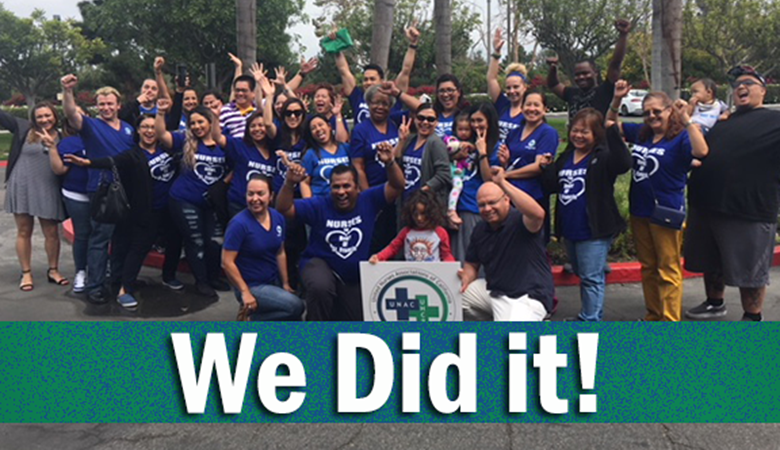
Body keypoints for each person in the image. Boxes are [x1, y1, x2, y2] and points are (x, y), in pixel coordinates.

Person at [683, 66, 780, 322]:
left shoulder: (775, 120)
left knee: (751, 271)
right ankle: (715, 303)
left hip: (748, 209)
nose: (740, 87)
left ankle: (752, 318)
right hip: (707, 205)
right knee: (711, 262)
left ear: (763, 91)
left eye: (748, 83)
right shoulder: (723, 120)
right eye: (736, 84)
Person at [607, 81, 709, 322]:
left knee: (668, 269)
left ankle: (669, 321)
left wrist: (686, 120)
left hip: (666, 212)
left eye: (657, 111)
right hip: (640, 210)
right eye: (647, 112)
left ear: (669, 111)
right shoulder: (642, 134)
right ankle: (653, 315)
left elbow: (702, 151)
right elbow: (610, 125)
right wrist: (616, 101)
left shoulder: (681, 138)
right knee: (649, 267)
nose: (651, 116)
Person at [63, 115, 183, 309]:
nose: (149, 131)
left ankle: (168, 277)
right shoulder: (133, 154)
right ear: (138, 130)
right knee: (138, 248)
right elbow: (112, 161)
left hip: (169, 207)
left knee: (175, 242)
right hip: (147, 211)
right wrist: (87, 163)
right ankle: (124, 289)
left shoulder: (167, 150)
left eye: (153, 127)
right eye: (144, 127)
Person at [276, 146, 405, 321]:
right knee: (321, 287)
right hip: (319, 264)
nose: (341, 192)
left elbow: (397, 185)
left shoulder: (368, 200)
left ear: (357, 187)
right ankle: (314, 337)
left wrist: (390, 162)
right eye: (336, 187)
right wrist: (289, 183)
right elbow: (284, 209)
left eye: (346, 186)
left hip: (351, 277)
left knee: (355, 321)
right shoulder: (319, 205)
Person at [541, 108, 631, 321]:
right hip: (571, 228)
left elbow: (624, 164)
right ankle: (589, 314)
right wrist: (547, 168)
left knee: (591, 278)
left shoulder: (603, 157)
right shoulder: (566, 157)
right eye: (575, 130)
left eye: (585, 132)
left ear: (596, 134)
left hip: (594, 230)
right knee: (584, 275)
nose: (578, 135)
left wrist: (613, 133)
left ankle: (590, 320)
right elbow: (552, 186)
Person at [62, 75, 136, 304]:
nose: (105, 107)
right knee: (100, 238)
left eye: (110, 103)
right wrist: (67, 91)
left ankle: (116, 278)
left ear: (118, 105)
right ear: (96, 107)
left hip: (127, 190)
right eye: (101, 104)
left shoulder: (128, 129)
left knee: (123, 238)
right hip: (102, 191)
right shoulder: (91, 126)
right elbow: (71, 114)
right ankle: (95, 285)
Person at [459, 166, 553, 321]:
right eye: (482, 205)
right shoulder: (480, 229)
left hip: (526, 297)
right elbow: (471, 264)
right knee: (456, 296)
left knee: (511, 341)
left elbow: (538, 214)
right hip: (495, 292)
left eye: (492, 202)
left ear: (506, 199)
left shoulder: (521, 221)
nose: (487, 208)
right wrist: (466, 278)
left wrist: (503, 183)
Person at [156, 101, 228, 299]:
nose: (197, 127)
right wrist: (161, 113)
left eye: (201, 122)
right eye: (193, 123)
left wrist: (221, 186)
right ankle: (201, 281)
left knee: (215, 241)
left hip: (211, 202)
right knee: (195, 240)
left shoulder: (224, 142)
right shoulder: (186, 141)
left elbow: (236, 165)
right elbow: (162, 135)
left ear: (210, 121)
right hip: (184, 199)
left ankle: (213, 277)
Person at [1, 102, 69, 291]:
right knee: (24, 231)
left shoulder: (63, 136)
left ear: (55, 116)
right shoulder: (23, 128)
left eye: (48, 115)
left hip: (48, 187)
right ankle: (26, 273)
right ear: (34, 118)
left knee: (52, 232)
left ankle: (53, 270)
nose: (44, 120)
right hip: (21, 185)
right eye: (40, 116)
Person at [222, 174, 305, 321]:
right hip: (252, 285)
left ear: (271, 196)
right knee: (295, 306)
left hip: (272, 281)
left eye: (260, 194)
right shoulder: (239, 224)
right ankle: (253, 320)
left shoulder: (278, 218)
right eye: (250, 194)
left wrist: (285, 283)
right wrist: (245, 292)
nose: (255, 199)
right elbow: (227, 262)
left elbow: (280, 252)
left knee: (294, 319)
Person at [333, 23, 419, 125]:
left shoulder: (393, 96)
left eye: (372, 79)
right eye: (365, 79)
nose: (368, 82)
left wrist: (413, 44)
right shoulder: (357, 96)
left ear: (382, 81)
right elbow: (343, 70)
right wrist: (336, 44)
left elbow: (406, 70)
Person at [547, 19, 631, 122]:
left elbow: (615, 64)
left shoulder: (605, 91)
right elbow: (553, 84)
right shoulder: (572, 94)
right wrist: (553, 67)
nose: (581, 77)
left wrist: (623, 35)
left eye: (585, 73)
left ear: (595, 73)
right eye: (577, 75)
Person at [450, 103, 502, 261]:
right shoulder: (463, 142)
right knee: (459, 258)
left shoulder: (495, 147)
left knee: (476, 259)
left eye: (480, 120)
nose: (475, 125)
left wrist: (482, 152)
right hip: (457, 207)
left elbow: (489, 180)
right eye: (473, 121)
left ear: (489, 121)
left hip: (475, 206)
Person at [48, 109, 90, 293]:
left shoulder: (101, 137)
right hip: (76, 194)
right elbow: (60, 170)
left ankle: (101, 268)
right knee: (82, 234)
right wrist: (51, 148)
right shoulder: (67, 143)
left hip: (103, 194)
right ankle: (81, 271)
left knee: (102, 235)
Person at [212, 109, 277, 217]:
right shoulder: (240, 145)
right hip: (239, 205)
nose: (257, 129)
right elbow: (217, 138)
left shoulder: (275, 151)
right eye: (253, 126)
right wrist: (214, 118)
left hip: (264, 207)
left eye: (261, 125)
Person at [503, 90, 559, 206]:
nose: (532, 109)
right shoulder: (513, 133)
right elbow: (508, 163)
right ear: (522, 107)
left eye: (536, 105)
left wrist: (507, 175)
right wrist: (505, 161)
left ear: (544, 110)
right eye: (528, 104)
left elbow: (538, 167)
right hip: (510, 193)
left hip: (534, 195)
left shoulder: (548, 133)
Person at [370, 190, 455, 263]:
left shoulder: (440, 232)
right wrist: (379, 257)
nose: (419, 218)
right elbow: (393, 248)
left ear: (432, 213)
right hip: (411, 275)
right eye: (415, 214)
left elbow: (446, 254)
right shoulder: (406, 232)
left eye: (423, 214)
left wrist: (453, 269)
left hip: (432, 276)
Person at [487, 28, 528, 142]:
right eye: (508, 87)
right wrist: (496, 53)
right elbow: (491, 79)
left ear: (524, 87)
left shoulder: (529, 110)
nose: (512, 91)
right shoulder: (503, 104)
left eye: (516, 87)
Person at [300, 114, 351, 198]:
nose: (318, 129)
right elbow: (304, 183)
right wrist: (310, 204)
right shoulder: (310, 154)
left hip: (346, 199)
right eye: (313, 128)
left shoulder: (346, 148)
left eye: (320, 125)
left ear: (329, 126)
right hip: (321, 202)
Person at [446, 112, 476, 228]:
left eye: (467, 129)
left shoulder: (473, 143)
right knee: (457, 186)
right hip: (451, 172)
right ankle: (451, 210)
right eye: (460, 129)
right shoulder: (451, 139)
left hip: (461, 172)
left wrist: (471, 146)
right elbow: (449, 147)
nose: (463, 132)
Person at [220, 74, 257, 139]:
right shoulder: (225, 110)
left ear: (253, 93)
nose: (240, 93)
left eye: (244, 90)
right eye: (237, 90)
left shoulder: (258, 110)